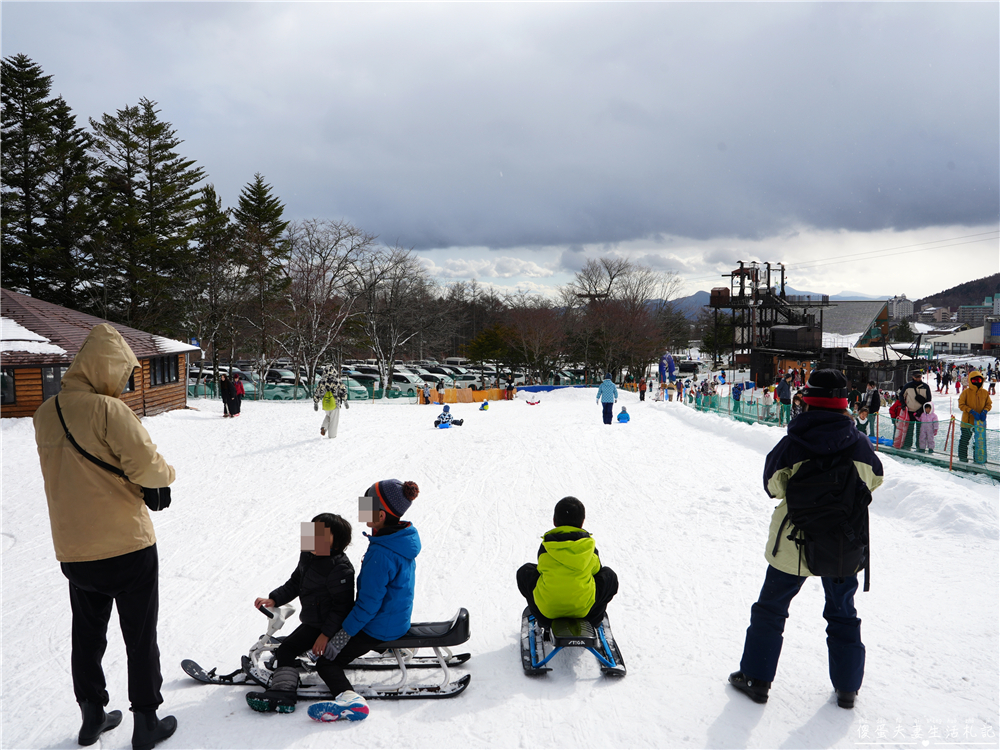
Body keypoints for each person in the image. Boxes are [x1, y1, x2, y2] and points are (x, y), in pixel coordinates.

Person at [33, 324, 177, 749]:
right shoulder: (109, 411)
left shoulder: (45, 412)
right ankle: (146, 722)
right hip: (126, 546)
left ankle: (92, 716)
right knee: (139, 635)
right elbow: (148, 467)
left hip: (74, 550)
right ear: (106, 368)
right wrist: (165, 477)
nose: (123, 382)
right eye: (122, 373)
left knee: (87, 635)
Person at [729, 369, 884, 709]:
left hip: (793, 542)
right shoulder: (859, 443)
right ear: (844, 403)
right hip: (844, 542)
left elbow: (773, 485)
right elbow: (874, 479)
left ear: (807, 401)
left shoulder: (793, 443)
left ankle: (756, 679)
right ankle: (847, 688)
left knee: (771, 608)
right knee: (843, 612)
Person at [306, 479, 421, 722]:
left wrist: (339, 638)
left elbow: (368, 606)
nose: (361, 508)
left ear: (379, 515)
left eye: (365, 504)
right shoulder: (400, 539)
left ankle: (351, 701)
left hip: (378, 627)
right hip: (396, 619)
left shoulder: (381, 554)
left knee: (326, 663)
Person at [246, 514, 354, 714]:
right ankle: (288, 670)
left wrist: (325, 635)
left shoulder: (340, 568)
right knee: (287, 647)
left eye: (321, 535)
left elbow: (343, 607)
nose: (313, 538)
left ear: (336, 543)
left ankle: (284, 696)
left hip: (327, 625)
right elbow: (296, 581)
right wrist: (275, 599)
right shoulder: (308, 554)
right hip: (313, 620)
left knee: (286, 649)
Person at [516, 497, 619, 629]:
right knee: (608, 576)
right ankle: (595, 618)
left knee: (526, 572)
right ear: (582, 522)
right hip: (584, 612)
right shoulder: (589, 547)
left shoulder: (547, 547)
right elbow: (596, 571)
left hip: (548, 614)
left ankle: (542, 616)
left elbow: (542, 570)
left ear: (554, 521)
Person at [957, 370, 992, 463]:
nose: (976, 382)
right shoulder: (966, 392)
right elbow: (961, 405)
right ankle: (962, 457)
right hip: (967, 422)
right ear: (970, 380)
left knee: (979, 442)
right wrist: (971, 411)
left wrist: (985, 411)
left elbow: (989, 404)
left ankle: (978, 458)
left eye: (979, 380)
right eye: (974, 380)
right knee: (965, 440)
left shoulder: (984, 393)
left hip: (979, 422)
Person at [898, 370, 931, 451]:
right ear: (913, 377)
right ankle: (907, 445)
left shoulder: (925, 387)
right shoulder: (908, 386)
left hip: (922, 412)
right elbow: (901, 395)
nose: (918, 378)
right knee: (909, 430)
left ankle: (920, 447)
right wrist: (903, 404)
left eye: (919, 376)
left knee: (921, 431)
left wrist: (923, 410)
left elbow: (929, 400)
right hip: (910, 411)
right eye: (916, 376)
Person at [313, 366, 349, 439]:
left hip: (326, 404)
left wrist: (316, 403)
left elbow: (317, 392)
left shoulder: (321, 382)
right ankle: (332, 436)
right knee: (334, 420)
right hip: (335, 404)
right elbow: (343, 391)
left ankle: (324, 427)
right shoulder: (337, 381)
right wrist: (345, 401)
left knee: (329, 416)